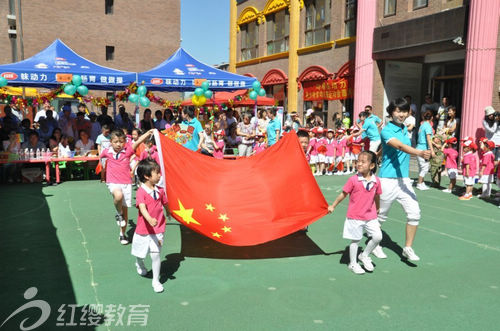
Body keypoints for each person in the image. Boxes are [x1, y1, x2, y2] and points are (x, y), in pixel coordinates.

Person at [375, 98, 431, 261]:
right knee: (380, 216)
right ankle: (375, 244)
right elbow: (399, 146)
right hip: (387, 180)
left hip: (404, 180)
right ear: (391, 112)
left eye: (404, 111)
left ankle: (408, 248)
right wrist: (419, 153)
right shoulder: (386, 130)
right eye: (398, 111)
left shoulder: (404, 129)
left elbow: (397, 148)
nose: (401, 114)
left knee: (415, 213)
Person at [328, 151, 382, 274]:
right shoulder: (353, 179)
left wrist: (378, 208)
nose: (359, 164)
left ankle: (364, 255)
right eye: (358, 161)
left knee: (378, 236)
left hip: (370, 215)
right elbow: (343, 194)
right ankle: (353, 264)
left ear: (372, 166)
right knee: (355, 240)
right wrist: (333, 206)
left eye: (363, 162)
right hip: (355, 216)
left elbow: (377, 196)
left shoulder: (376, 181)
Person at [100, 129, 154, 245]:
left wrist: (148, 133)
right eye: (115, 142)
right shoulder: (106, 152)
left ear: (124, 142)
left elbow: (139, 141)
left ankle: (122, 234)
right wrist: (103, 175)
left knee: (125, 211)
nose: (118, 144)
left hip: (126, 183)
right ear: (111, 142)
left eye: (121, 141)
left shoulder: (128, 150)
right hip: (113, 182)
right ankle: (118, 214)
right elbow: (101, 159)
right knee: (118, 196)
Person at [132, 159, 169, 293]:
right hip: (143, 229)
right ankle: (139, 263)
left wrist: (169, 213)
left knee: (155, 254)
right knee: (140, 253)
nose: (160, 175)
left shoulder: (160, 190)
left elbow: (165, 203)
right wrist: (149, 218)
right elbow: (142, 208)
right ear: (147, 176)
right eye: (157, 173)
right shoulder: (141, 191)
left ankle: (156, 280)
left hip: (158, 228)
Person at [416, 111, 434, 190]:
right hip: (423, 149)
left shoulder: (422, 125)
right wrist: (432, 150)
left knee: (421, 167)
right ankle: (419, 183)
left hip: (418, 147)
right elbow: (428, 139)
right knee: (425, 167)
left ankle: (421, 182)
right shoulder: (428, 126)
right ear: (432, 118)